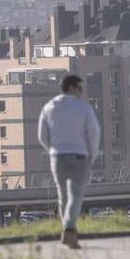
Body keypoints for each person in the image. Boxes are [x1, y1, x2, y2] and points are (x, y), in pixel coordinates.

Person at [37, 74, 100, 249]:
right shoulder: (83, 108)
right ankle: (69, 230)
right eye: (80, 88)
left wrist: (52, 149)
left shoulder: (49, 107)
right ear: (71, 87)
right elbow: (93, 135)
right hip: (79, 157)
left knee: (62, 196)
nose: (82, 91)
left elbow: (42, 136)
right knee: (76, 196)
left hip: (57, 158)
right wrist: (91, 157)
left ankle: (66, 230)